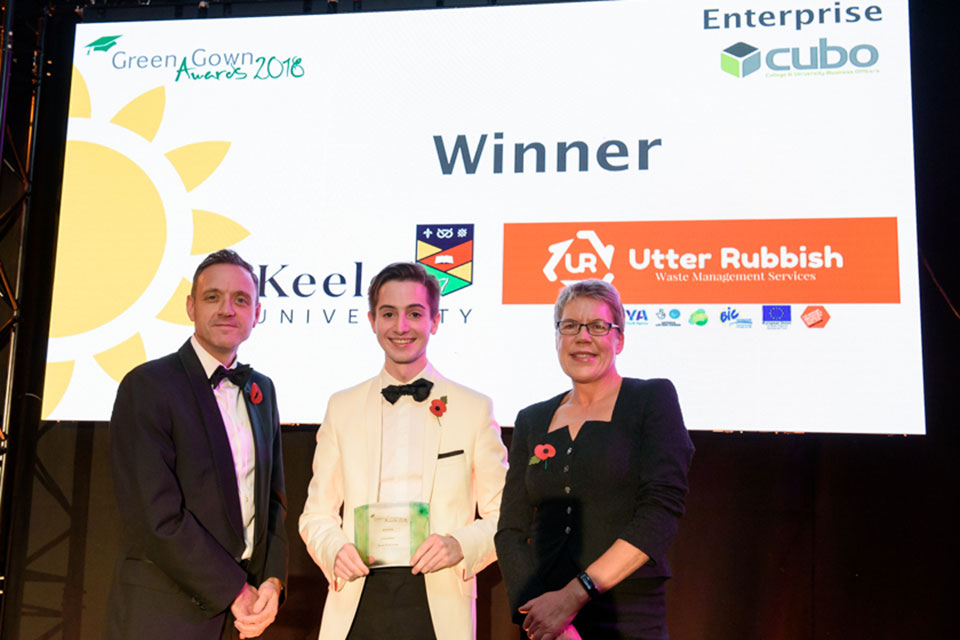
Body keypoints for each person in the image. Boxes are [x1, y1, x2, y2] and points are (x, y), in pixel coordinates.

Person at [299, 262, 508, 640]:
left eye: (414, 314)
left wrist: (460, 544)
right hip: (358, 593)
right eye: (388, 314)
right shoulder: (342, 407)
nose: (401, 327)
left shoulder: (473, 408)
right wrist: (334, 549)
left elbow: (505, 516)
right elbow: (316, 514)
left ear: (435, 321)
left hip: (438, 595)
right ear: (371, 321)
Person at [495, 279, 694, 640]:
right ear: (557, 337)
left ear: (619, 339)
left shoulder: (652, 399)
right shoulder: (532, 419)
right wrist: (539, 613)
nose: (582, 337)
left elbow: (660, 511)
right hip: (547, 621)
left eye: (598, 326)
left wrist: (573, 596)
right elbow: (510, 529)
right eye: (570, 326)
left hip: (627, 615)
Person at [105, 249, 288, 640]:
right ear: (191, 306)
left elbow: (272, 503)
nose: (227, 309)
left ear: (257, 313)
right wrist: (234, 589)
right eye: (212, 297)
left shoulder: (262, 390)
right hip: (163, 612)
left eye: (241, 300)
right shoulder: (148, 385)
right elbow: (155, 515)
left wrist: (272, 581)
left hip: (245, 617)